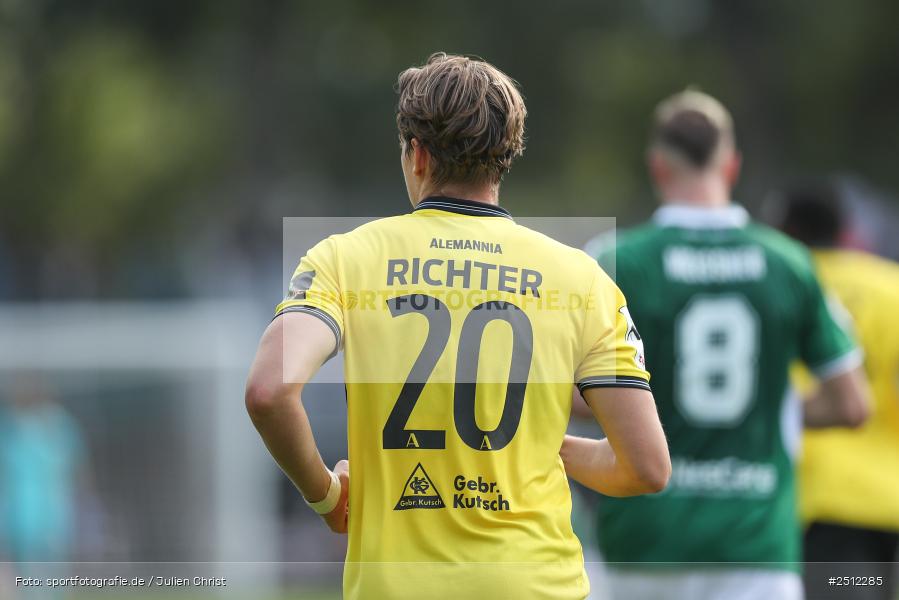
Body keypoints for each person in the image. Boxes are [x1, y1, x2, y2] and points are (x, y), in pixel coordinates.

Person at [245, 52, 670, 600]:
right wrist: (544, 444)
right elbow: (646, 467)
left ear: (417, 154)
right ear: (504, 158)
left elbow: (269, 390)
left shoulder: (345, 259)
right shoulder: (580, 278)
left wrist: (326, 496)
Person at [579, 90, 870, 600]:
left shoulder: (616, 260)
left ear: (658, 167)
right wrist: (772, 405)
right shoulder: (789, 263)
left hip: (645, 541)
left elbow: (570, 398)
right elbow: (851, 403)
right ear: (732, 166)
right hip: (756, 546)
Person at [771, 181, 899, 600]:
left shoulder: (784, 284)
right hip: (887, 500)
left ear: (785, 231)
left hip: (814, 501)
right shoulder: (891, 287)